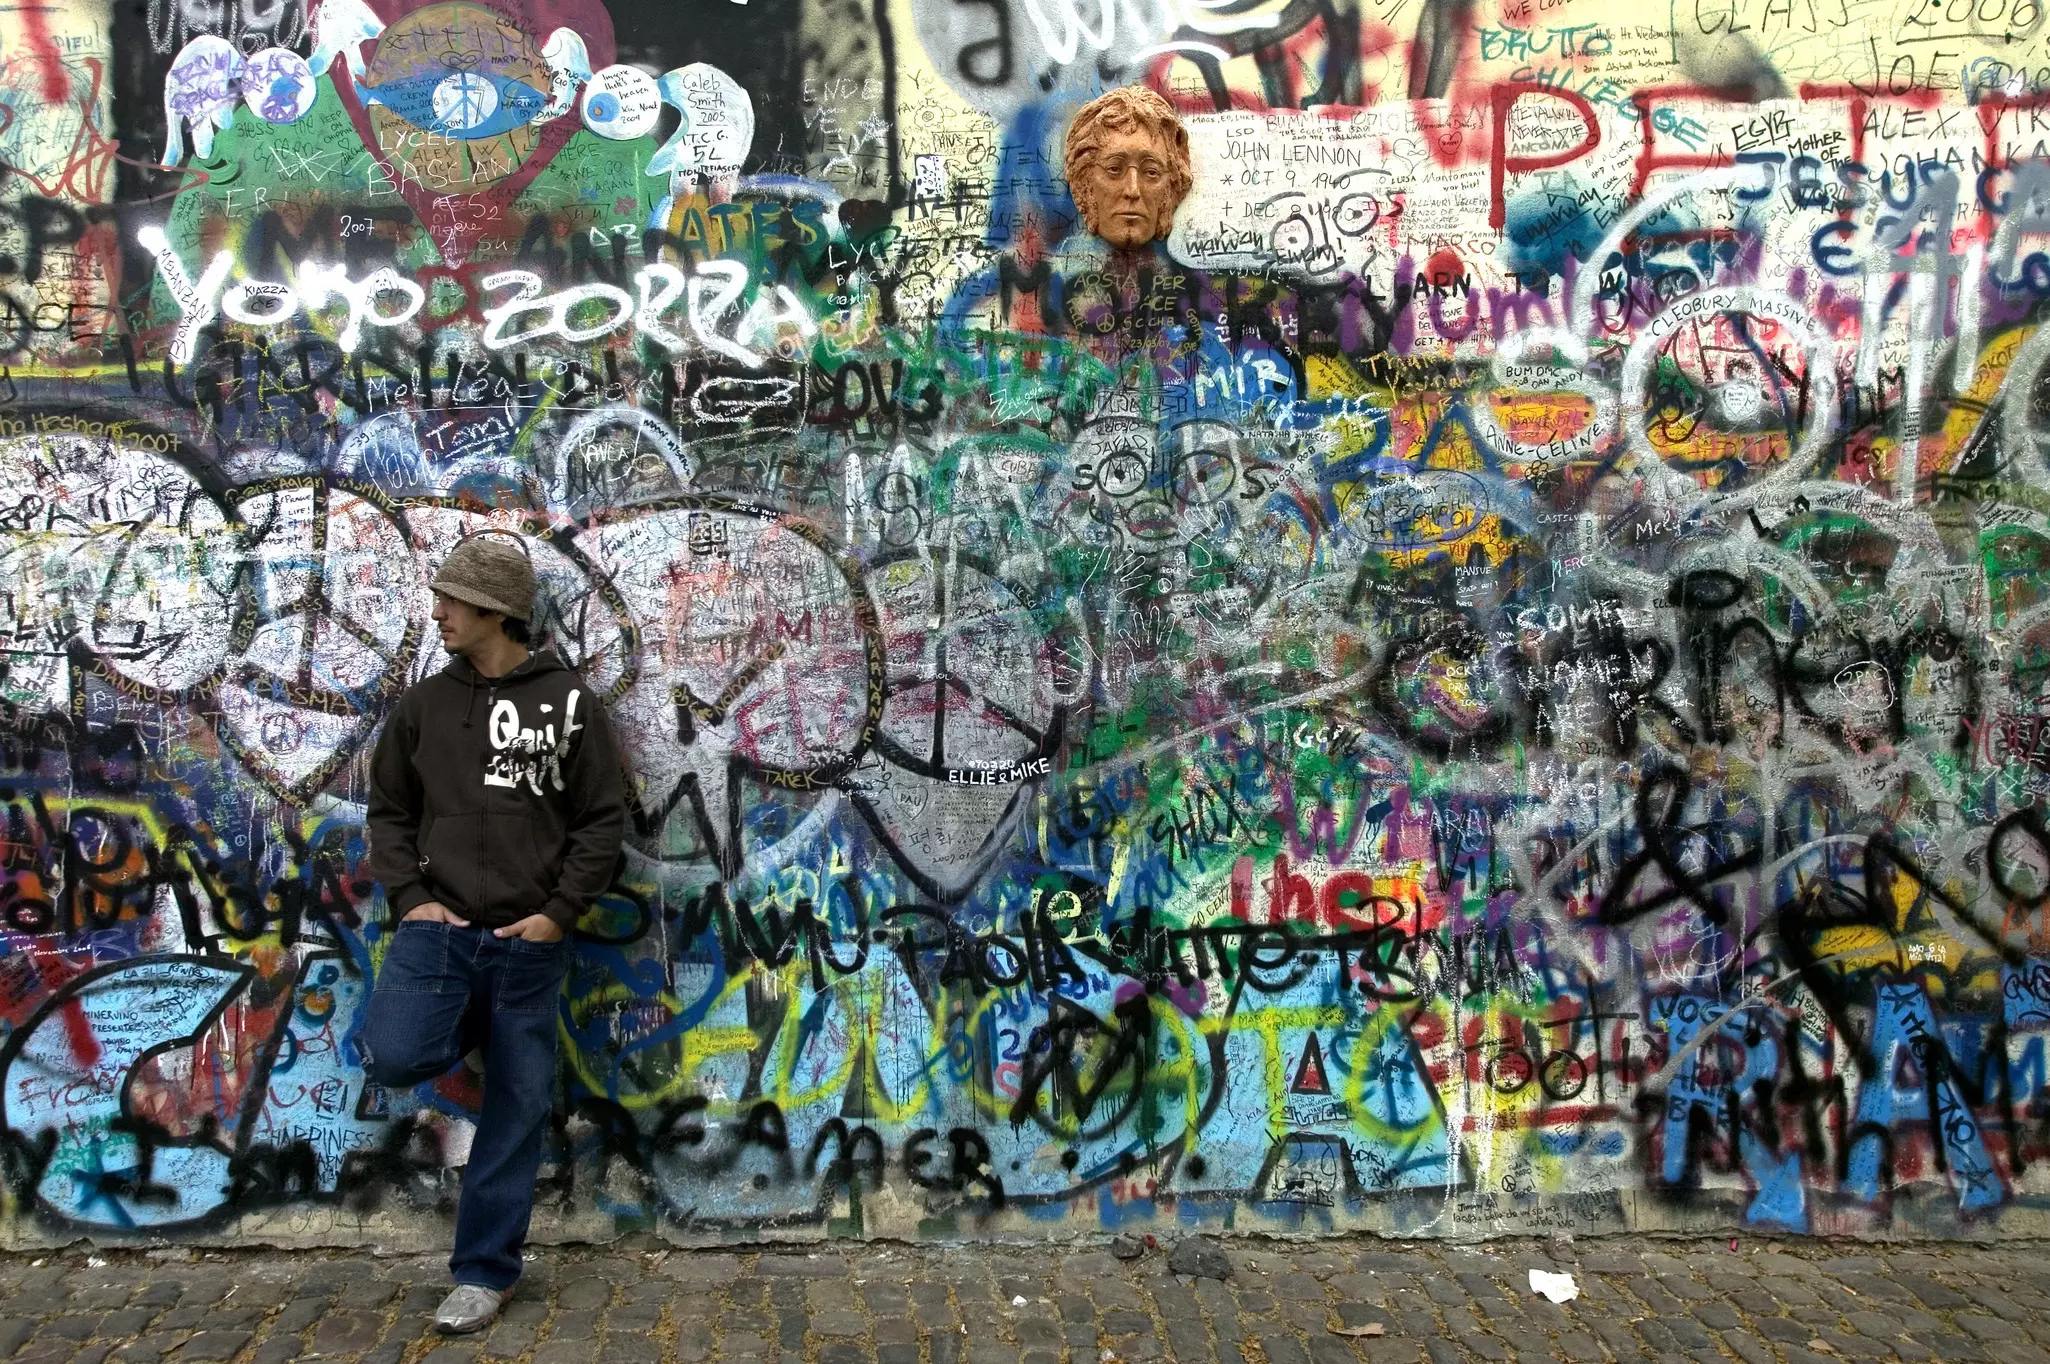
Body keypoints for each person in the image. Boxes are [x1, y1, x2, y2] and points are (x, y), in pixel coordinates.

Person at [362, 533, 627, 1334]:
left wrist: (556, 914)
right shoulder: (425, 707)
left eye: (451, 600)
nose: (438, 612)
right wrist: (409, 896)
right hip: (436, 935)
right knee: (397, 1052)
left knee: (514, 1107)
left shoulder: (568, 702)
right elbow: (391, 811)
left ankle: (484, 1272)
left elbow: (600, 820)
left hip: (527, 944)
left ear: (495, 610)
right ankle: (463, 1018)